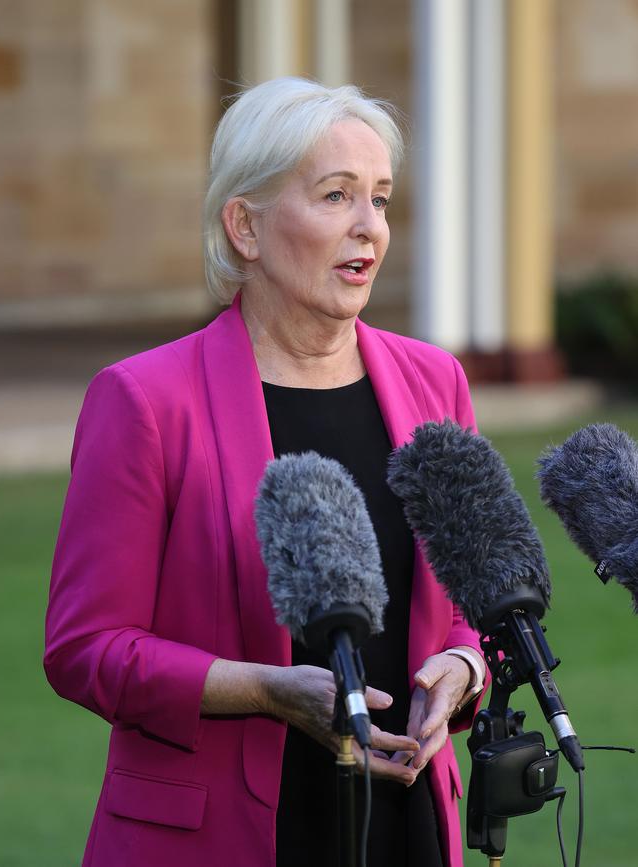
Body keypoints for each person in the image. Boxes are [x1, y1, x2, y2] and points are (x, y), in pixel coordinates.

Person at [44, 77, 486, 867]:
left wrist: (462, 664)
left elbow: (470, 601)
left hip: (407, 824)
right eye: (336, 195)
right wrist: (261, 687)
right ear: (244, 226)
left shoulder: (435, 383)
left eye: (380, 198)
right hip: (217, 838)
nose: (369, 229)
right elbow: (85, 647)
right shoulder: (144, 401)